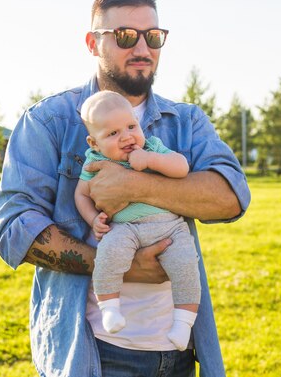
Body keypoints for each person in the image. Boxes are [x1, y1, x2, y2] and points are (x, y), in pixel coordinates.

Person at [0, 0, 251, 377]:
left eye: (153, 36)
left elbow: (231, 197)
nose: (143, 48)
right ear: (93, 44)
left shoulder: (186, 121)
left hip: (180, 349)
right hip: (95, 353)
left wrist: (136, 186)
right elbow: (13, 230)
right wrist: (121, 266)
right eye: (126, 36)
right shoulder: (49, 121)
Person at [74, 90, 200, 351]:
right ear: (94, 143)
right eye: (113, 134)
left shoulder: (151, 146)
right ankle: (110, 308)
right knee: (108, 254)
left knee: (186, 265)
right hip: (125, 228)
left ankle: (183, 323)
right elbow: (81, 194)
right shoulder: (95, 161)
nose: (127, 137)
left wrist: (152, 160)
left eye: (131, 126)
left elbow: (181, 167)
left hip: (170, 227)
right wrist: (92, 219)